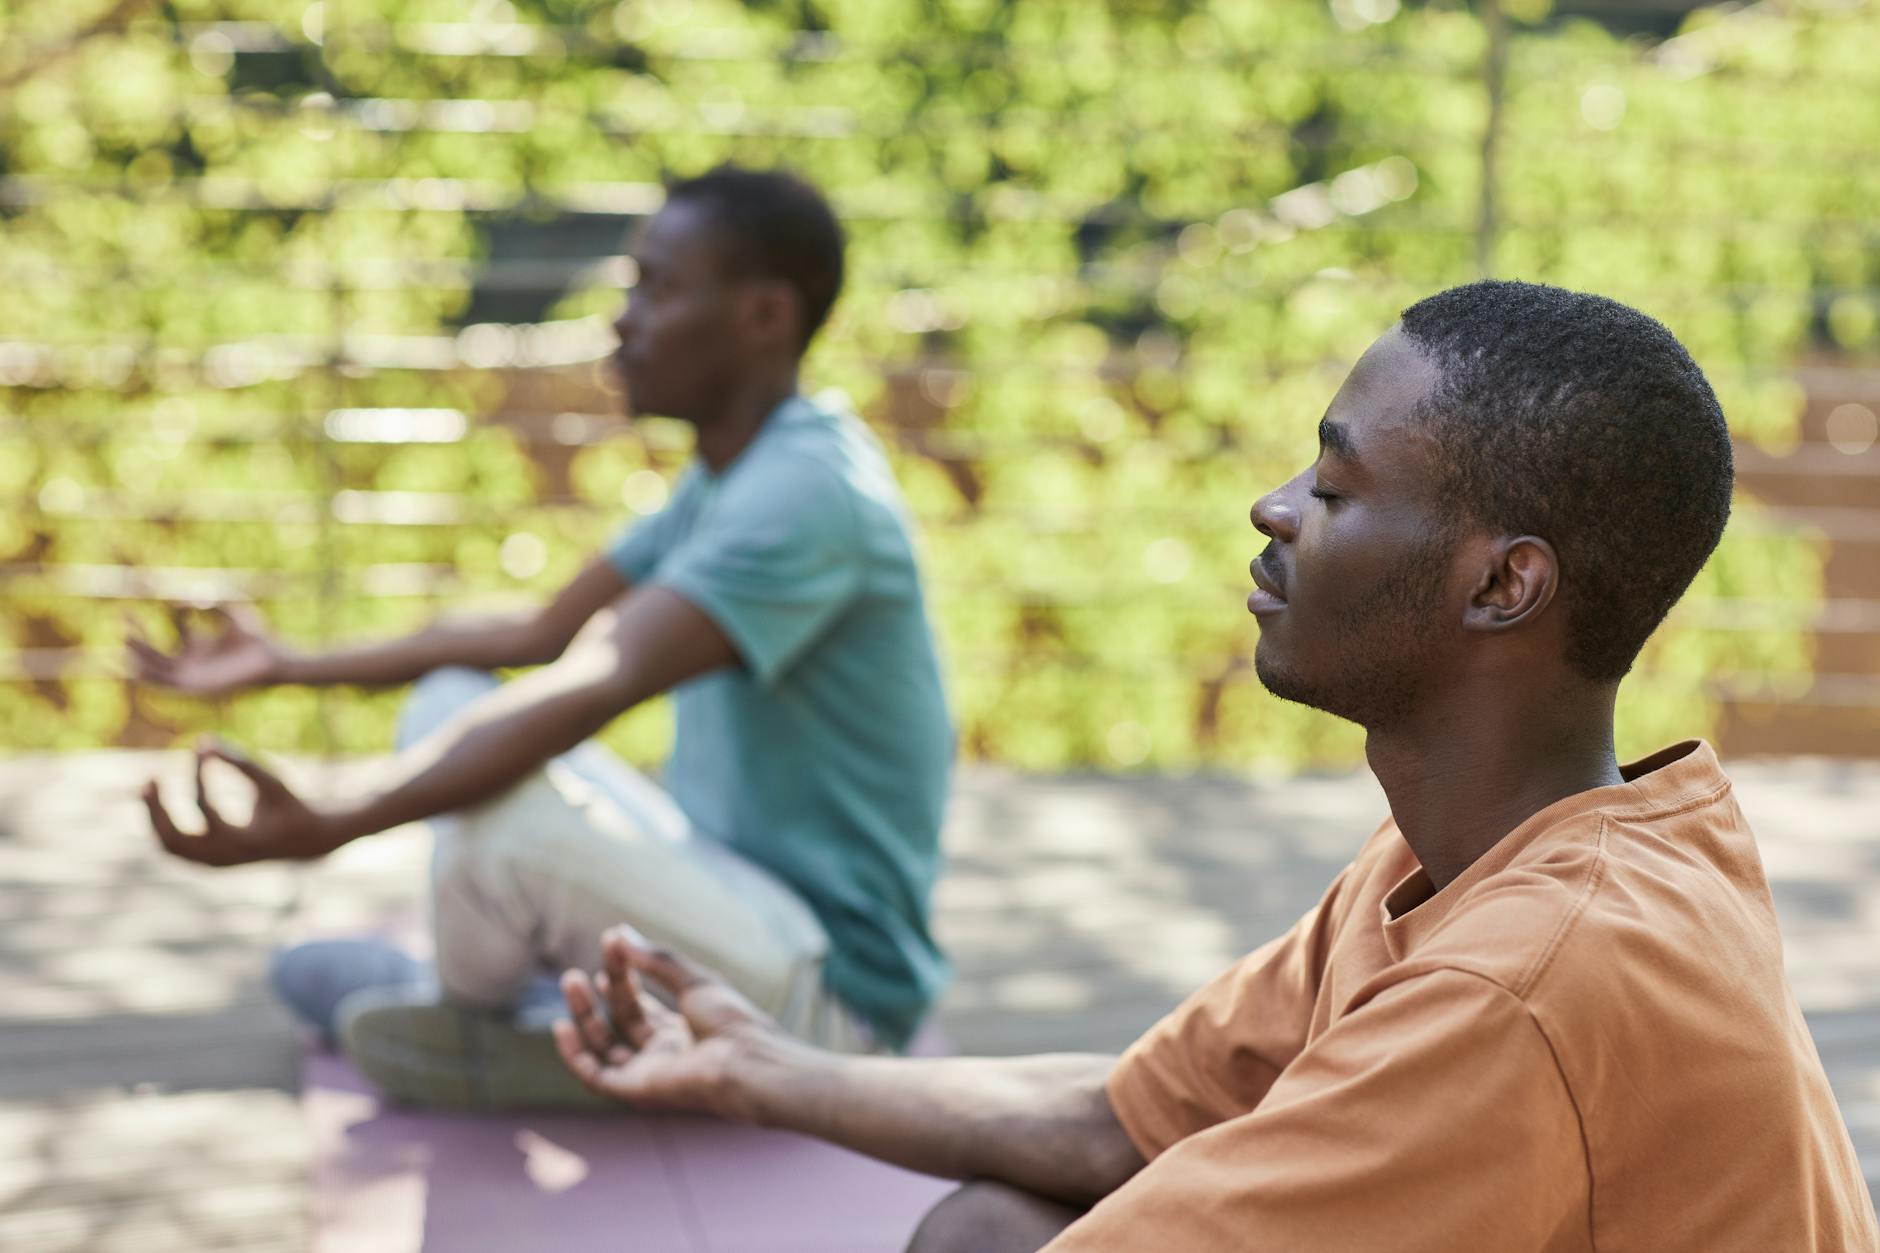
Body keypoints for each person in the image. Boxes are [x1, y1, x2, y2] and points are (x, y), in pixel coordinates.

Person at [549, 281, 1879, 1251]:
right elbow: (1123, 1120)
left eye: (1340, 490)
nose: (1275, 507)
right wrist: (762, 1068)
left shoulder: (1525, 982)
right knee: (988, 1231)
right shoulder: (1478, 857)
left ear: (1503, 584)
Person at [133, 165, 955, 1106]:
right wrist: (286, 665)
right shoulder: (741, 470)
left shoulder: (807, 496)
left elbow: (596, 678)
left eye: (658, 287)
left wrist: (338, 820)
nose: (623, 318)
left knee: (506, 823)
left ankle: (475, 1017)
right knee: (453, 699)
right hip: (736, 896)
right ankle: (524, 1005)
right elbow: (538, 634)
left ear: (764, 315)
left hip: (828, 1000)